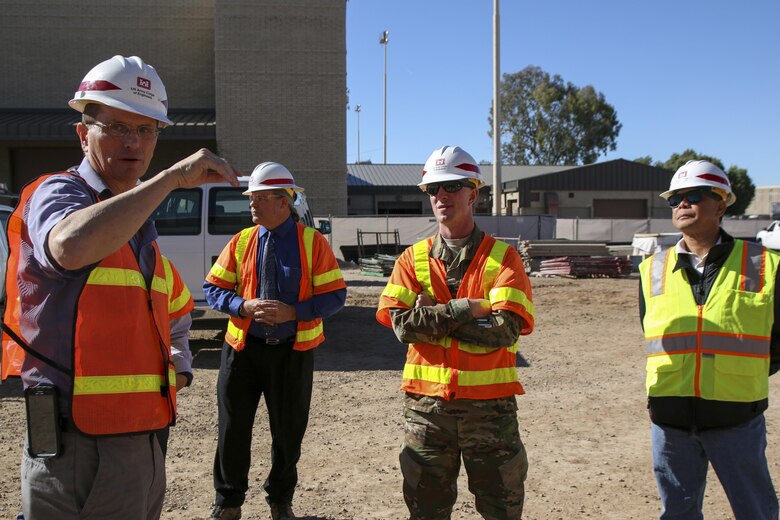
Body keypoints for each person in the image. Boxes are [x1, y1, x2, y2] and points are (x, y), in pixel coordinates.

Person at [1, 55, 239, 520]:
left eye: (147, 130)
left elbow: (174, 311)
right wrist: (169, 180)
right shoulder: (60, 193)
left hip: (139, 437)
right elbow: (68, 246)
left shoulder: (135, 223)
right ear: (82, 131)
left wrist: (179, 365)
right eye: (116, 127)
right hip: (77, 444)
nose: (134, 142)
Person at [376, 145, 536, 520]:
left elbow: (504, 331)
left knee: (502, 511)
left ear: (473, 192)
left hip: (490, 414)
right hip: (427, 413)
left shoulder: (503, 258)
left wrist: (431, 315)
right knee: (427, 512)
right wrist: (468, 307)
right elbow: (402, 326)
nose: (442, 196)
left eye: (452, 186)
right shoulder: (410, 259)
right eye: (434, 189)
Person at [203, 161, 346, 520]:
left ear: (284, 202)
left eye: (260, 197)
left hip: (291, 355)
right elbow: (213, 289)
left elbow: (335, 297)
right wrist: (242, 305)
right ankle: (228, 502)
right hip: (242, 351)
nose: (252, 203)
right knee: (233, 430)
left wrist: (294, 313)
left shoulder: (312, 243)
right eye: (251, 197)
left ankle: (280, 500)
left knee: (288, 433)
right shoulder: (241, 241)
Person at [639, 160, 780, 519]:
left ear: (721, 204)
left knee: (756, 511)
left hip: (736, 420)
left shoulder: (762, 264)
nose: (682, 205)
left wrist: (738, 376)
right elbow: (651, 332)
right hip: (670, 422)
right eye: (675, 199)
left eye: (693, 196)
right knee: (678, 514)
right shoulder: (652, 269)